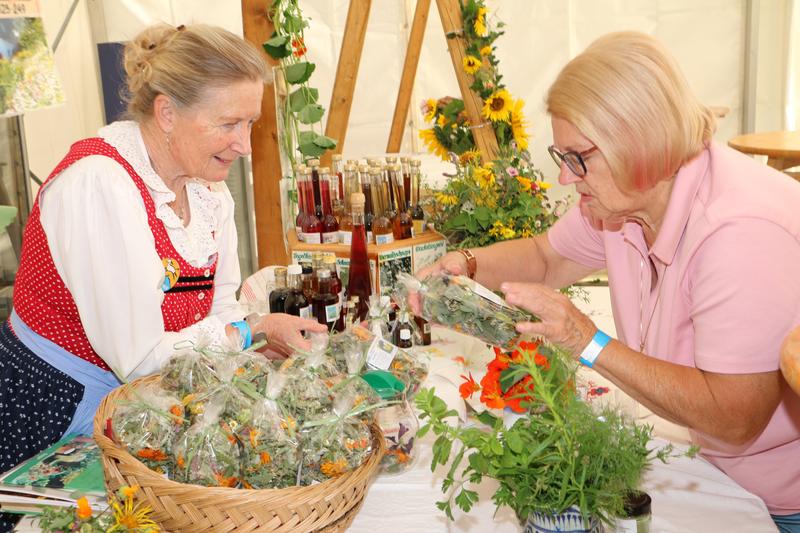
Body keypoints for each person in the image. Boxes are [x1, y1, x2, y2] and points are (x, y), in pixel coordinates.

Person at [418, 31, 800, 532]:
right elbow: (545, 258)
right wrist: (467, 265)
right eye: (563, 157)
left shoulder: (740, 233)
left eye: (578, 157)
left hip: (777, 504)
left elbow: (733, 418)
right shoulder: (625, 203)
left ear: (636, 143)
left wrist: (586, 339)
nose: (565, 178)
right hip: (711, 468)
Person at [0, 23, 325, 486]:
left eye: (250, 123)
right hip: (53, 414)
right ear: (167, 113)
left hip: (144, 408)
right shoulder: (100, 185)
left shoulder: (209, 192)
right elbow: (138, 359)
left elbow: (222, 307)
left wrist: (252, 345)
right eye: (228, 124)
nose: (244, 145)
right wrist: (251, 331)